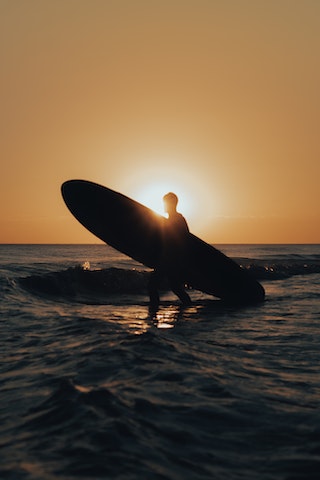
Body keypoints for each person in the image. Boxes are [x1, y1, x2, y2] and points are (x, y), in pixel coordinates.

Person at [148, 192, 192, 310]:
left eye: (165, 203)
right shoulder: (172, 219)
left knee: (152, 286)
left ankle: (154, 312)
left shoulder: (177, 219)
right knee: (175, 288)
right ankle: (187, 308)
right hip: (169, 259)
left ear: (171, 204)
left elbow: (183, 240)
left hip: (171, 259)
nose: (163, 206)